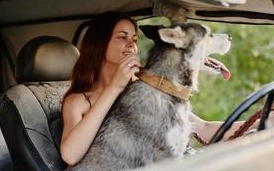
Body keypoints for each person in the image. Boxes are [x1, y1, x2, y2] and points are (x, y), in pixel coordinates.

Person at [60, 13, 272, 166]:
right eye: (122, 37)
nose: (131, 45)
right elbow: (70, 155)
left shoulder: (148, 92)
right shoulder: (79, 101)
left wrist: (264, 122)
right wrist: (115, 87)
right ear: (99, 44)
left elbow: (203, 128)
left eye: (134, 39)